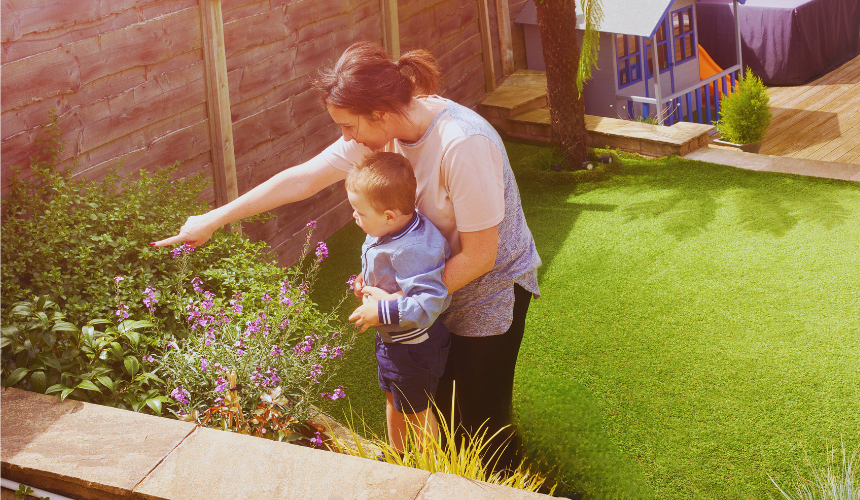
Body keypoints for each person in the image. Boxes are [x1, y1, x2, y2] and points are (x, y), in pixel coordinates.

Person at [153, 41, 541, 470]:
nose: (346, 138)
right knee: (440, 410)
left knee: (483, 422)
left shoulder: (463, 144)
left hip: (487, 287)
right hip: (428, 282)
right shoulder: (383, 132)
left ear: (379, 112)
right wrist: (214, 218)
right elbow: (302, 178)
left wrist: (400, 307)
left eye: (348, 126)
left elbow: (482, 255)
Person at [345, 151, 451, 452]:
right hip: (393, 339)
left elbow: (428, 303)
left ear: (389, 215)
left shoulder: (415, 249)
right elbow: (384, 267)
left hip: (415, 346)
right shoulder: (388, 229)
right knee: (393, 396)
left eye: (360, 212)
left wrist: (381, 309)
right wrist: (366, 282)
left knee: (416, 410)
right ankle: (398, 455)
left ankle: (432, 468)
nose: (354, 216)